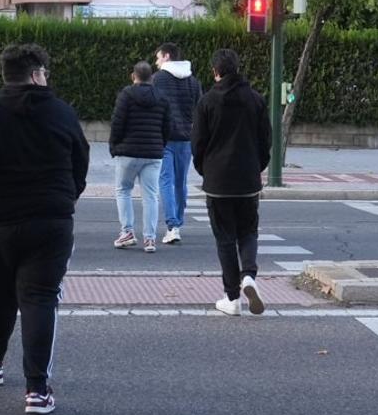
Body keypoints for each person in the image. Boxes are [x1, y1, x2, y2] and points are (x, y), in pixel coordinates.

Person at [0, 43, 89, 415]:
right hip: (50, 221)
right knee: (40, 299)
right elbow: (81, 159)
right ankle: (37, 390)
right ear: (37, 73)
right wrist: (69, 194)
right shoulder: (62, 112)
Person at [191, 48, 270, 317]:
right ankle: (249, 275)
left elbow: (198, 143)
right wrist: (256, 167)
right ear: (237, 68)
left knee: (224, 239)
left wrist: (205, 170)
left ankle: (232, 297)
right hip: (248, 179)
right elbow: (265, 142)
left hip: (217, 180)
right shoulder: (256, 100)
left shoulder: (207, 101)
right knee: (248, 232)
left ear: (215, 72)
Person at [109, 61, 171, 253]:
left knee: (123, 190)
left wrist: (114, 146)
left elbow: (117, 123)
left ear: (133, 76)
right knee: (151, 196)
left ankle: (127, 232)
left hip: (127, 152)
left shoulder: (126, 95)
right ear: (151, 77)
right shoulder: (161, 97)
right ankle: (150, 239)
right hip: (153, 153)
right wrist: (160, 145)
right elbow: (167, 127)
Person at [151, 42, 202, 245]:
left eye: (158, 57)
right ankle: (178, 223)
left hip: (165, 137)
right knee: (181, 182)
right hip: (186, 137)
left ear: (166, 56)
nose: (156, 61)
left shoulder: (158, 80)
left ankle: (171, 225)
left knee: (165, 180)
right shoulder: (193, 81)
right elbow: (200, 108)